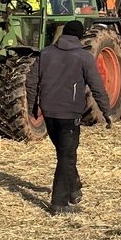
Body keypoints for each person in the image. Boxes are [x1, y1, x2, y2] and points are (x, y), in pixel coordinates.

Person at [24, 21, 112, 216]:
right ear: (80, 36)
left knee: (65, 153)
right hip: (69, 114)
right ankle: (59, 203)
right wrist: (106, 111)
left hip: (48, 112)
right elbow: (96, 85)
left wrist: (32, 106)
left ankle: (74, 189)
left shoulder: (45, 53)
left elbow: (31, 81)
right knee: (66, 156)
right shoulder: (83, 57)